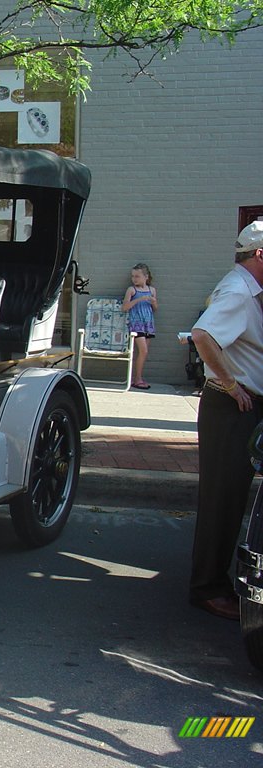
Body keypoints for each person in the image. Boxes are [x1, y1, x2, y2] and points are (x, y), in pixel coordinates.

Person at [188, 220, 263, 620]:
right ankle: (208, 588)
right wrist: (230, 383)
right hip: (232, 406)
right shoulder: (238, 291)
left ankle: (216, 582)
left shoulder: (245, 289)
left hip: (241, 405)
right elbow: (202, 336)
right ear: (260, 255)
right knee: (223, 499)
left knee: (230, 498)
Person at [121, 262, 157, 389]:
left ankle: (137, 378)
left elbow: (155, 309)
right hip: (136, 324)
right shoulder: (131, 290)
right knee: (143, 350)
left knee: (143, 353)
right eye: (133, 276)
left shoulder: (152, 290)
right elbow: (124, 307)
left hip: (148, 323)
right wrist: (138, 300)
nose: (134, 279)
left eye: (137, 276)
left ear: (146, 277)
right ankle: (137, 379)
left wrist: (153, 302)